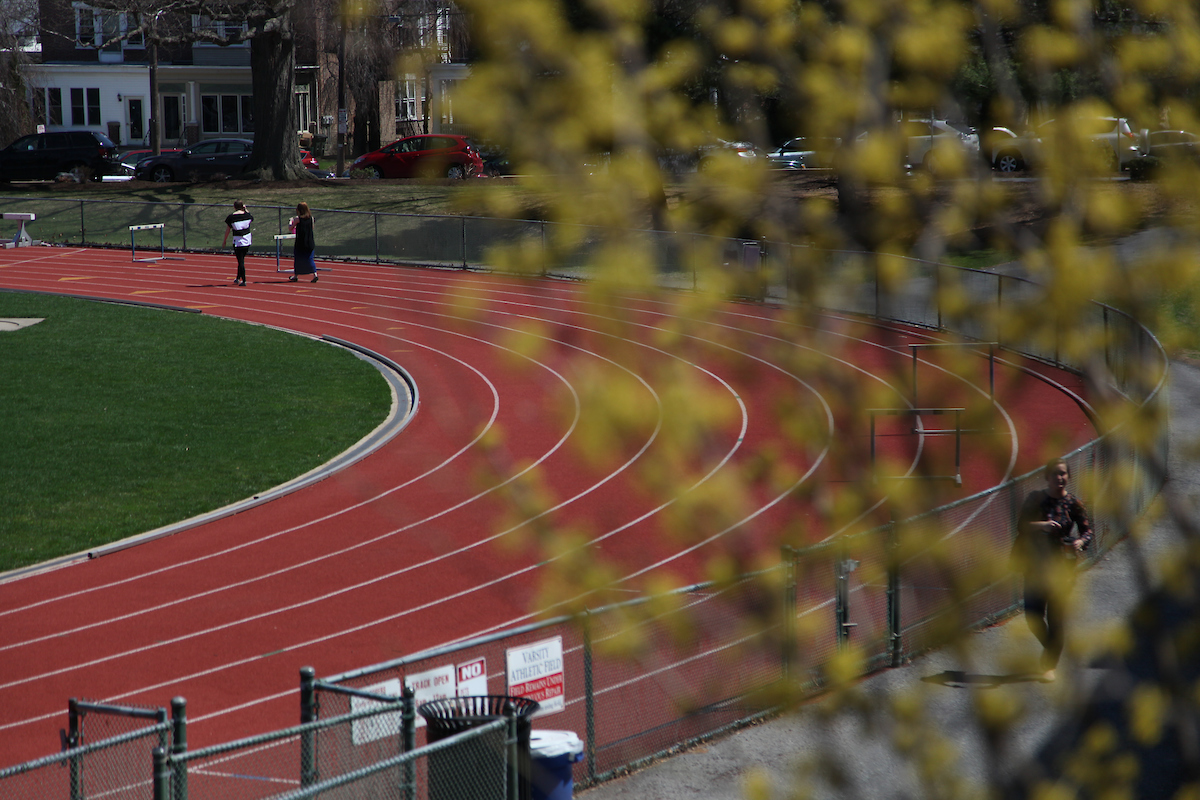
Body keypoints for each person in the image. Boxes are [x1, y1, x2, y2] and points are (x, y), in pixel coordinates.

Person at [1012, 458, 1092, 681]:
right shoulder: (1036, 500)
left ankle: (1049, 665)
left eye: (1063, 474)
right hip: (1036, 565)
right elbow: (1021, 526)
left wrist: (1080, 543)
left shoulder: (1074, 503)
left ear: (1069, 476)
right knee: (1033, 615)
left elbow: (1087, 530)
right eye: (1055, 474)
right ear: (1047, 477)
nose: (1060, 478)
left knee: (1056, 618)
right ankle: (1051, 649)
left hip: (1062, 568)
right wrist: (1043, 526)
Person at [224, 200, 253, 286]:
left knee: (240, 261)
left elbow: (228, 230)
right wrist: (245, 209)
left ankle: (244, 280)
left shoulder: (231, 217)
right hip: (247, 240)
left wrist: (225, 240)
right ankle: (237, 277)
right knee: (241, 260)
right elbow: (250, 216)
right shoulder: (247, 216)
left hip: (238, 241)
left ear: (234, 207)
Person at [289, 202, 317, 283]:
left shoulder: (298, 219)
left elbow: (290, 228)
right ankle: (315, 274)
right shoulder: (311, 218)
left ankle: (296, 275)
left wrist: (290, 221)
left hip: (301, 242)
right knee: (309, 259)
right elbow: (312, 228)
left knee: (298, 259)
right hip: (310, 241)